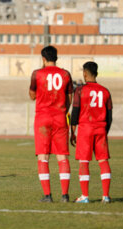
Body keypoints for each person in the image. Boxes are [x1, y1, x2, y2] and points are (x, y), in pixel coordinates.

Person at [29, 45, 73, 203]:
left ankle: (47, 195)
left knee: (43, 157)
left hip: (42, 118)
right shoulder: (66, 74)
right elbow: (69, 98)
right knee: (62, 158)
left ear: (43, 58)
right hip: (60, 117)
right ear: (56, 57)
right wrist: (62, 111)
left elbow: (32, 96)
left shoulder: (37, 74)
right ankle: (65, 195)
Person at [70, 61, 112, 204]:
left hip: (85, 129)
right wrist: (104, 131)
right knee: (103, 161)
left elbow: (75, 112)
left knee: (84, 162)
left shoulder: (80, 90)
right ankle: (105, 196)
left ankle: (85, 196)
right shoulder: (105, 91)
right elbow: (109, 116)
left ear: (85, 73)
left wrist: (72, 132)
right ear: (97, 73)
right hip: (100, 128)